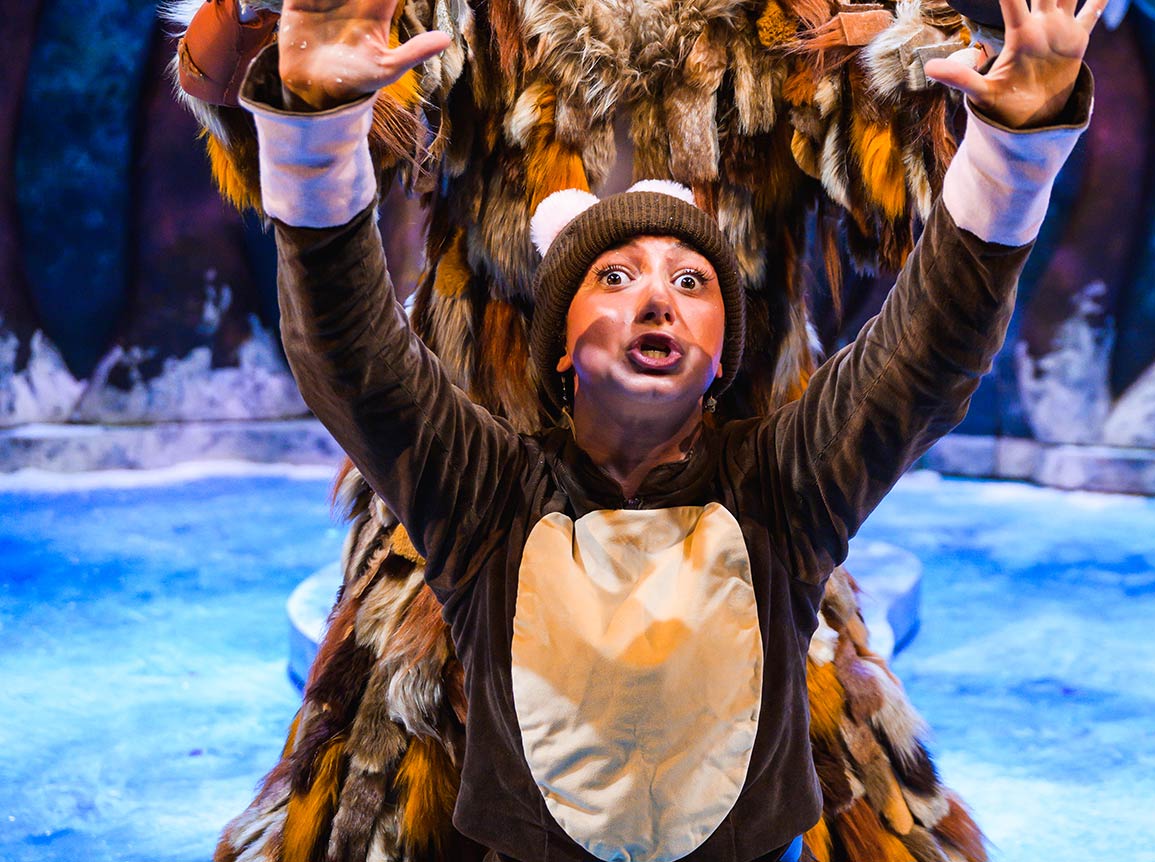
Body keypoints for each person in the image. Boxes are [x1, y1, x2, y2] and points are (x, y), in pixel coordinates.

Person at [215, 1, 1104, 860]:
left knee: (818, 752)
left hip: (743, 477)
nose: (654, 299)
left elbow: (930, 346)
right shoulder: (479, 496)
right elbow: (348, 352)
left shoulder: (784, 495)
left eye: (689, 283)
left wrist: (1012, 150)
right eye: (617, 279)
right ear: (560, 339)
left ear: (722, 341)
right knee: (400, 766)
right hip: (486, 460)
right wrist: (316, 117)